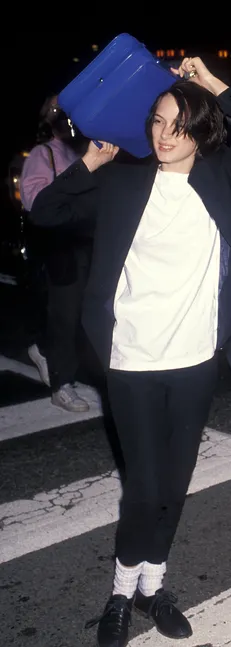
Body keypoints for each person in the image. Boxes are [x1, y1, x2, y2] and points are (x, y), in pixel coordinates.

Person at [29, 56, 231, 646]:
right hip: (133, 359)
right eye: (160, 121)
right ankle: (118, 594)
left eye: (180, 126)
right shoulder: (123, 181)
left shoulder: (219, 175)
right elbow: (46, 211)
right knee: (144, 486)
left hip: (193, 359)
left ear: (201, 133)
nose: (167, 135)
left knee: (175, 482)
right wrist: (90, 158)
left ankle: (152, 587)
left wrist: (211, 82)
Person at [20, 94, 91, 412]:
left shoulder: (84, 149)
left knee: (90, 313)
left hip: (88, 240)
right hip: (61, 245)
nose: (67, 120)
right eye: (59, 114)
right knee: (65, 315)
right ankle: (62, 383)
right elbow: (34, 200)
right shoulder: (43, 153)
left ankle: (51, 354)